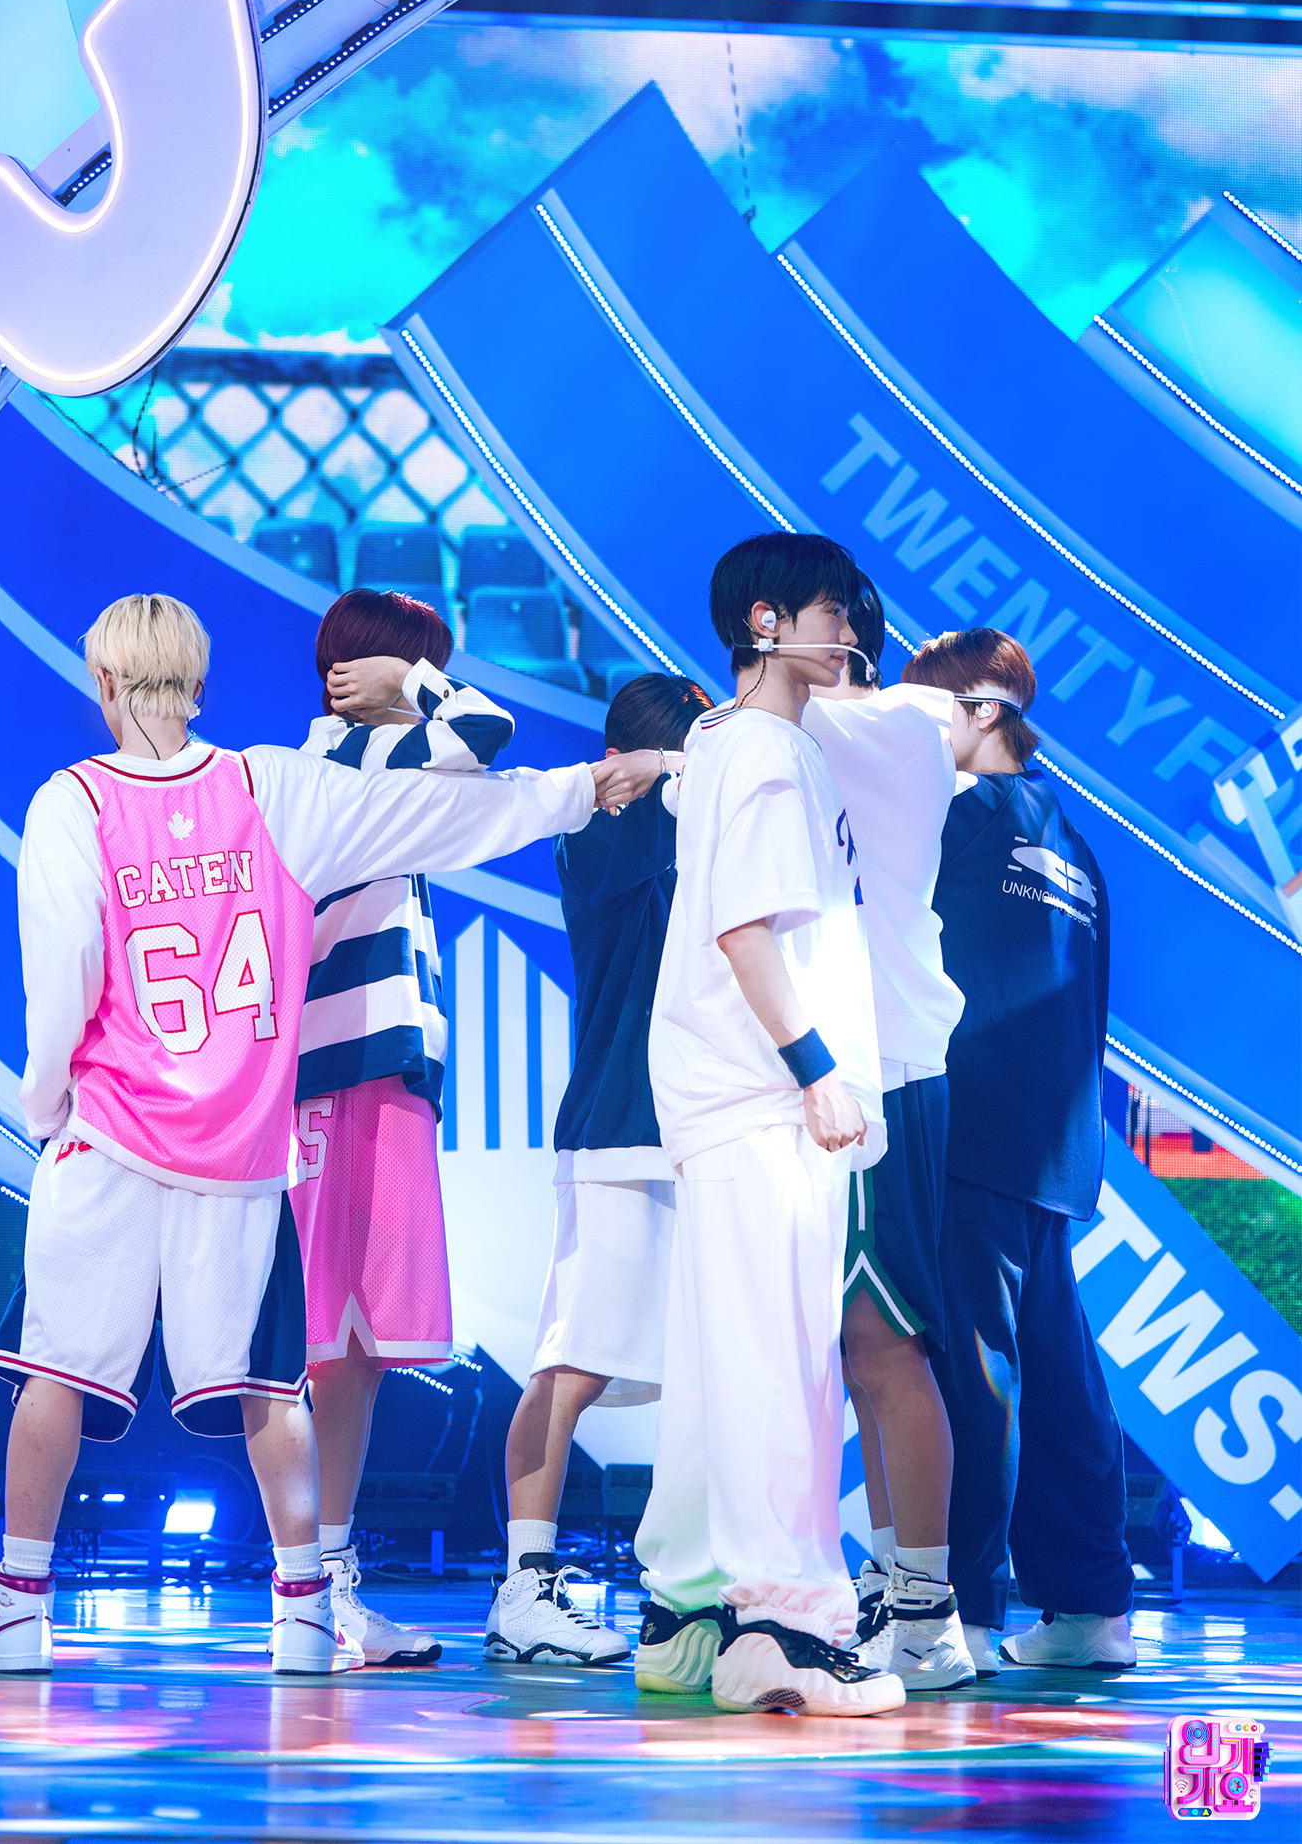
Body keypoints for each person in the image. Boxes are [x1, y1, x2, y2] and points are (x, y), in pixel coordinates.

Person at [0, 592, 631, 1678]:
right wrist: (584, 787)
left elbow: (63, 972)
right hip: (241, 1146)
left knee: (55, 1373)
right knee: (271, 1385)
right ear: (200, 683)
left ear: (104, 683)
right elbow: (453, 817)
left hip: (114, 1131)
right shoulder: (272, 782)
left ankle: (19, 1612)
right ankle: (306, 1613)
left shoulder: (73, 799)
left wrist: (45, 1107)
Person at [632, 531, 903, 1717]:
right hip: (763, 1092)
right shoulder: (764, 750)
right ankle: (782, 1630)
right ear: (766, 622)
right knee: (776, 1365)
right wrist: (816, 1070)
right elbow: (746, 929)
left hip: (733, 1092)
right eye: (830, 612)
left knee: (722, 1363)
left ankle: (688, 1615)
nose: (849, 633)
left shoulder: (739, 744)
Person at [290, 584, 517, 1667]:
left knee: (357, 1349)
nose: (437, 679)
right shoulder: (347, 756)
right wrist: (413, 684)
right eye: (423, 659)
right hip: (329, 1077)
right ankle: (311, 1590)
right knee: (319, 1346)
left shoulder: (379, 762)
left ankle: (328, 1587)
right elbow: (486, 728)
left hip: (381, 1073)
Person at [899, 626, 1134, 1676]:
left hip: (972, 1128)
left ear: (983, 712)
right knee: (1058, 1374)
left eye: (926, 714)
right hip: (1056, 1148)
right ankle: (1089, 1607)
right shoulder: (1074, 841)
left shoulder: (951, 814)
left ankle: (965, 1611)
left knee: (975, 1376)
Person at [487, 670, 707, 1667]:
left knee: (720, 1370)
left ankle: (706, 1586)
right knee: (571, 1361)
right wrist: (663, 771)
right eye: (691, 747)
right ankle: (525, 1586)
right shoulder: (598, 830)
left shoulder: (708, 834)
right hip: (620, 1131)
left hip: (710, 1135)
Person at [800, 576, 973, 1690]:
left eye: (788, 619)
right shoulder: (864, 728)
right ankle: (887, 1589)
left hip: (878, 1069)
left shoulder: (885, 723)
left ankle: (926, 1614)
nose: (767, 643)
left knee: (881, 1341)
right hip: (850, 1066)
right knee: (849, 1349)